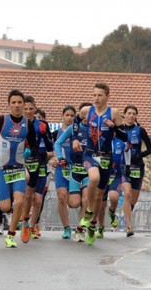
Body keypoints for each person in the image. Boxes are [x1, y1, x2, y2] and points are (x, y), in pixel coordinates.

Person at [0, 90, 38, 248]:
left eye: (20, 102)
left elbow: (34, 144)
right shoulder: (2, 121)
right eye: (14, 102)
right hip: (2, 168)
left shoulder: (28, 124)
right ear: (9, 104)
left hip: (18, 168)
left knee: (19, 201)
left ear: (23, 104)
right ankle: (15, 220)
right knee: (5, 207)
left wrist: (29, 152)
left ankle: (12, 235)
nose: (17, 105)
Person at [73, 83, 126, 246]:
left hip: (106, 158)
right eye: (94, 95)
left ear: (107, 96)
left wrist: (114, 127)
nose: (96, 98)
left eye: (100, 95)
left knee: (99, 197)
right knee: (93, 178)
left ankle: (92, 226)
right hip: (89, 153)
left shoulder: (114, 113)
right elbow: (76, 122)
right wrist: (75, 138)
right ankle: (87, 212)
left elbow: (124, 137)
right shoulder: (87, 111)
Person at [55, 103, 91, 242]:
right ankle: (67, 227)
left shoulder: (96, 129)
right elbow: (57, 143)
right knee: (73, 203)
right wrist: (60, 157)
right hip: (73, 169)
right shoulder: (72, 129)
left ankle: (80, 229)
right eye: (85, 115)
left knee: (86, 199)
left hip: (89, 169)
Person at [20, 96, 53, 242]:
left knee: (38, 199)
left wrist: (48, 155)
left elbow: (50, 147)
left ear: (35, 108)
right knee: (28, 196)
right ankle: (25, 224)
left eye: (30, 109)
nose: (28, 111)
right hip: (23, 163)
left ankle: (33, 226)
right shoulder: (17, 124)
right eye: (25, 109)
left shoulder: (42, 126)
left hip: (40, 164)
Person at [122, 105, 151, 237]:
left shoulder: (140, 130)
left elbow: (150, 149)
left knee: (133, 199)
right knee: (127, 194)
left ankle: (127, 211)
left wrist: (139, 155)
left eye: (134, 113)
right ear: (124, 115)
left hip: (137, 167)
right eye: (129, 113)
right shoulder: (119, 130)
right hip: (123, 167)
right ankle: (129, 226)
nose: (132, 116)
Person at [50, 106, 76, 239]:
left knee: (73, 202)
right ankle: (66, 228)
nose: (69, 118)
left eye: (72, 116)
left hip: (75, 169)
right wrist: (52, 160)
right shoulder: (55, 134)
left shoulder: (77, 133)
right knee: (61, 197)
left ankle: (82, 225)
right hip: (61, 169)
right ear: (62, 116)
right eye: (67, 115)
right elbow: (49, 152)